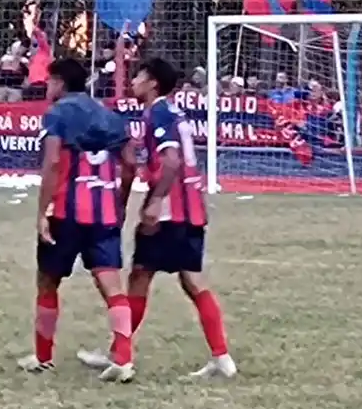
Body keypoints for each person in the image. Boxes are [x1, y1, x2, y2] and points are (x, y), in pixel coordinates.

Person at [80, 57, 237, 379]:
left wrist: (155, 202)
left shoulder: (160, 112)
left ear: (152, 83)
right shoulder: (173, 112)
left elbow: (171, 161)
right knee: (192, 280)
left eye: (138, 75)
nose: (133, 81)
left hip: (171, 213)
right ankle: (221, 357)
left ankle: (119, 354)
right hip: (191, 209)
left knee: (140, 277)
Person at [19, 58, 141, 383]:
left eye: (49, 82)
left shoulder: (58, 113)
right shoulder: (109, 116)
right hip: (104, 213)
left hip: (66, 213)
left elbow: (54, 161)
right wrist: (120, 203)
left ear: (59, 82)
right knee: (111, 285)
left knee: (47, 281)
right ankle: (124, 358)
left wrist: (42, 212)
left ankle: (43, 357)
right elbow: (130, 164)